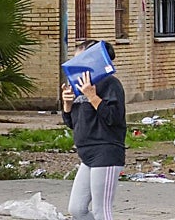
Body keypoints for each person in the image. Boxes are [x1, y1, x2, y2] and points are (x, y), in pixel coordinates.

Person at [62, 40, 126, 220]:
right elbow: (73, 123)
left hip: (106, 152)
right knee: (77, 209)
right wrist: (67, 104)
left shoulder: (110, 84)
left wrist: (92, 96)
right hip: (87, 154)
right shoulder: (79, 87)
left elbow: (113, 118)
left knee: (101, 210)